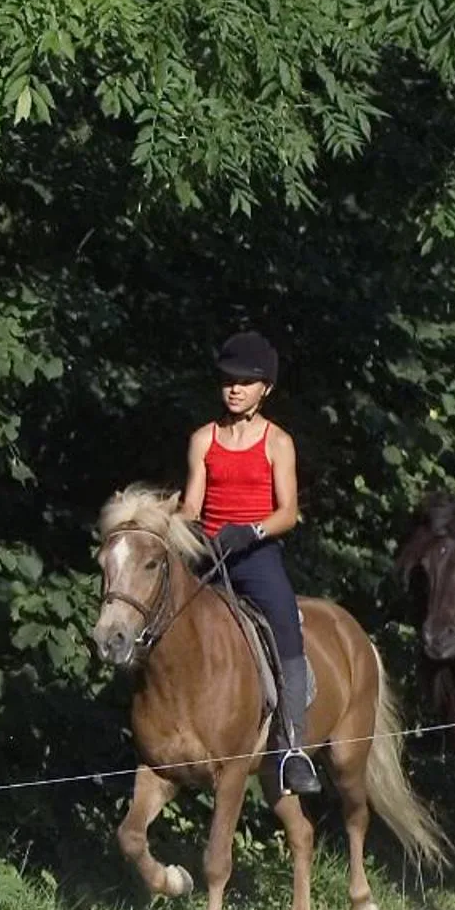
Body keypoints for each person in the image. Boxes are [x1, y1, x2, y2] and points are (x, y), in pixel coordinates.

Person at [182, 331, 321, 797]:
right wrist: (186, 531)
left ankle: (293, 746)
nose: (235, 389)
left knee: (285, 624)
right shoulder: (203, 439)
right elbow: (191, 506)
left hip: (255, 552)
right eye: (228, 381)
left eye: (246, 381)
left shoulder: (277, 442)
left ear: (266, 389)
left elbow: (288, 512)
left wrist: (252, 530)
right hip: (211, 550)